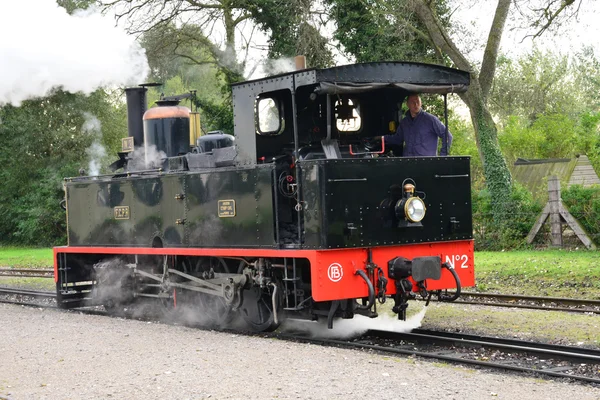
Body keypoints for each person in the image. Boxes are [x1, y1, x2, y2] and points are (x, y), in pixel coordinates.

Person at [383, 94, 452, 156]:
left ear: (421, 103)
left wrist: (442, 156)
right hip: (408, 163)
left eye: (417, 102)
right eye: (412, 102)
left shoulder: (431, 120)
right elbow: (397, 139)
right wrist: (381, 138)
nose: (416, 104)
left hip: (426, 164)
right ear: (407, 104)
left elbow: (447, 136)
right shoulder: (404, 122)